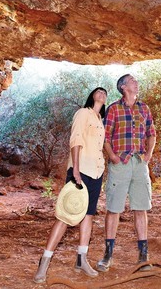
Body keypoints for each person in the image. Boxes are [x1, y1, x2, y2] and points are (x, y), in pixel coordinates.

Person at [34, 87, 108, 284]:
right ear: (92, 96)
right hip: (81, 170)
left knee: (88, 216)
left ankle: (82, 259)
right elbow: (76, 140)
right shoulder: (83, 113)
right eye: (98, 91)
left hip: (97, 172)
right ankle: (44, 262)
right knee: (66, 216)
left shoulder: (101, 120)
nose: (102, 93)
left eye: (105, 92)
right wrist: (75, 169)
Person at [97, 74, 157, 272]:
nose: (136, 82)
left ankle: (143, 255)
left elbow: (152, 134)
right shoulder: (114, 109)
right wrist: (113, 157)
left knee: (141, 208)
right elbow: (105, 137)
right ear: (123, 87)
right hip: (120, 164)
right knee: (113, 209)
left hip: (139, 163)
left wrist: (148, 154)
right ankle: (108, 255)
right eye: (132, 80)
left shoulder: (144, 108)